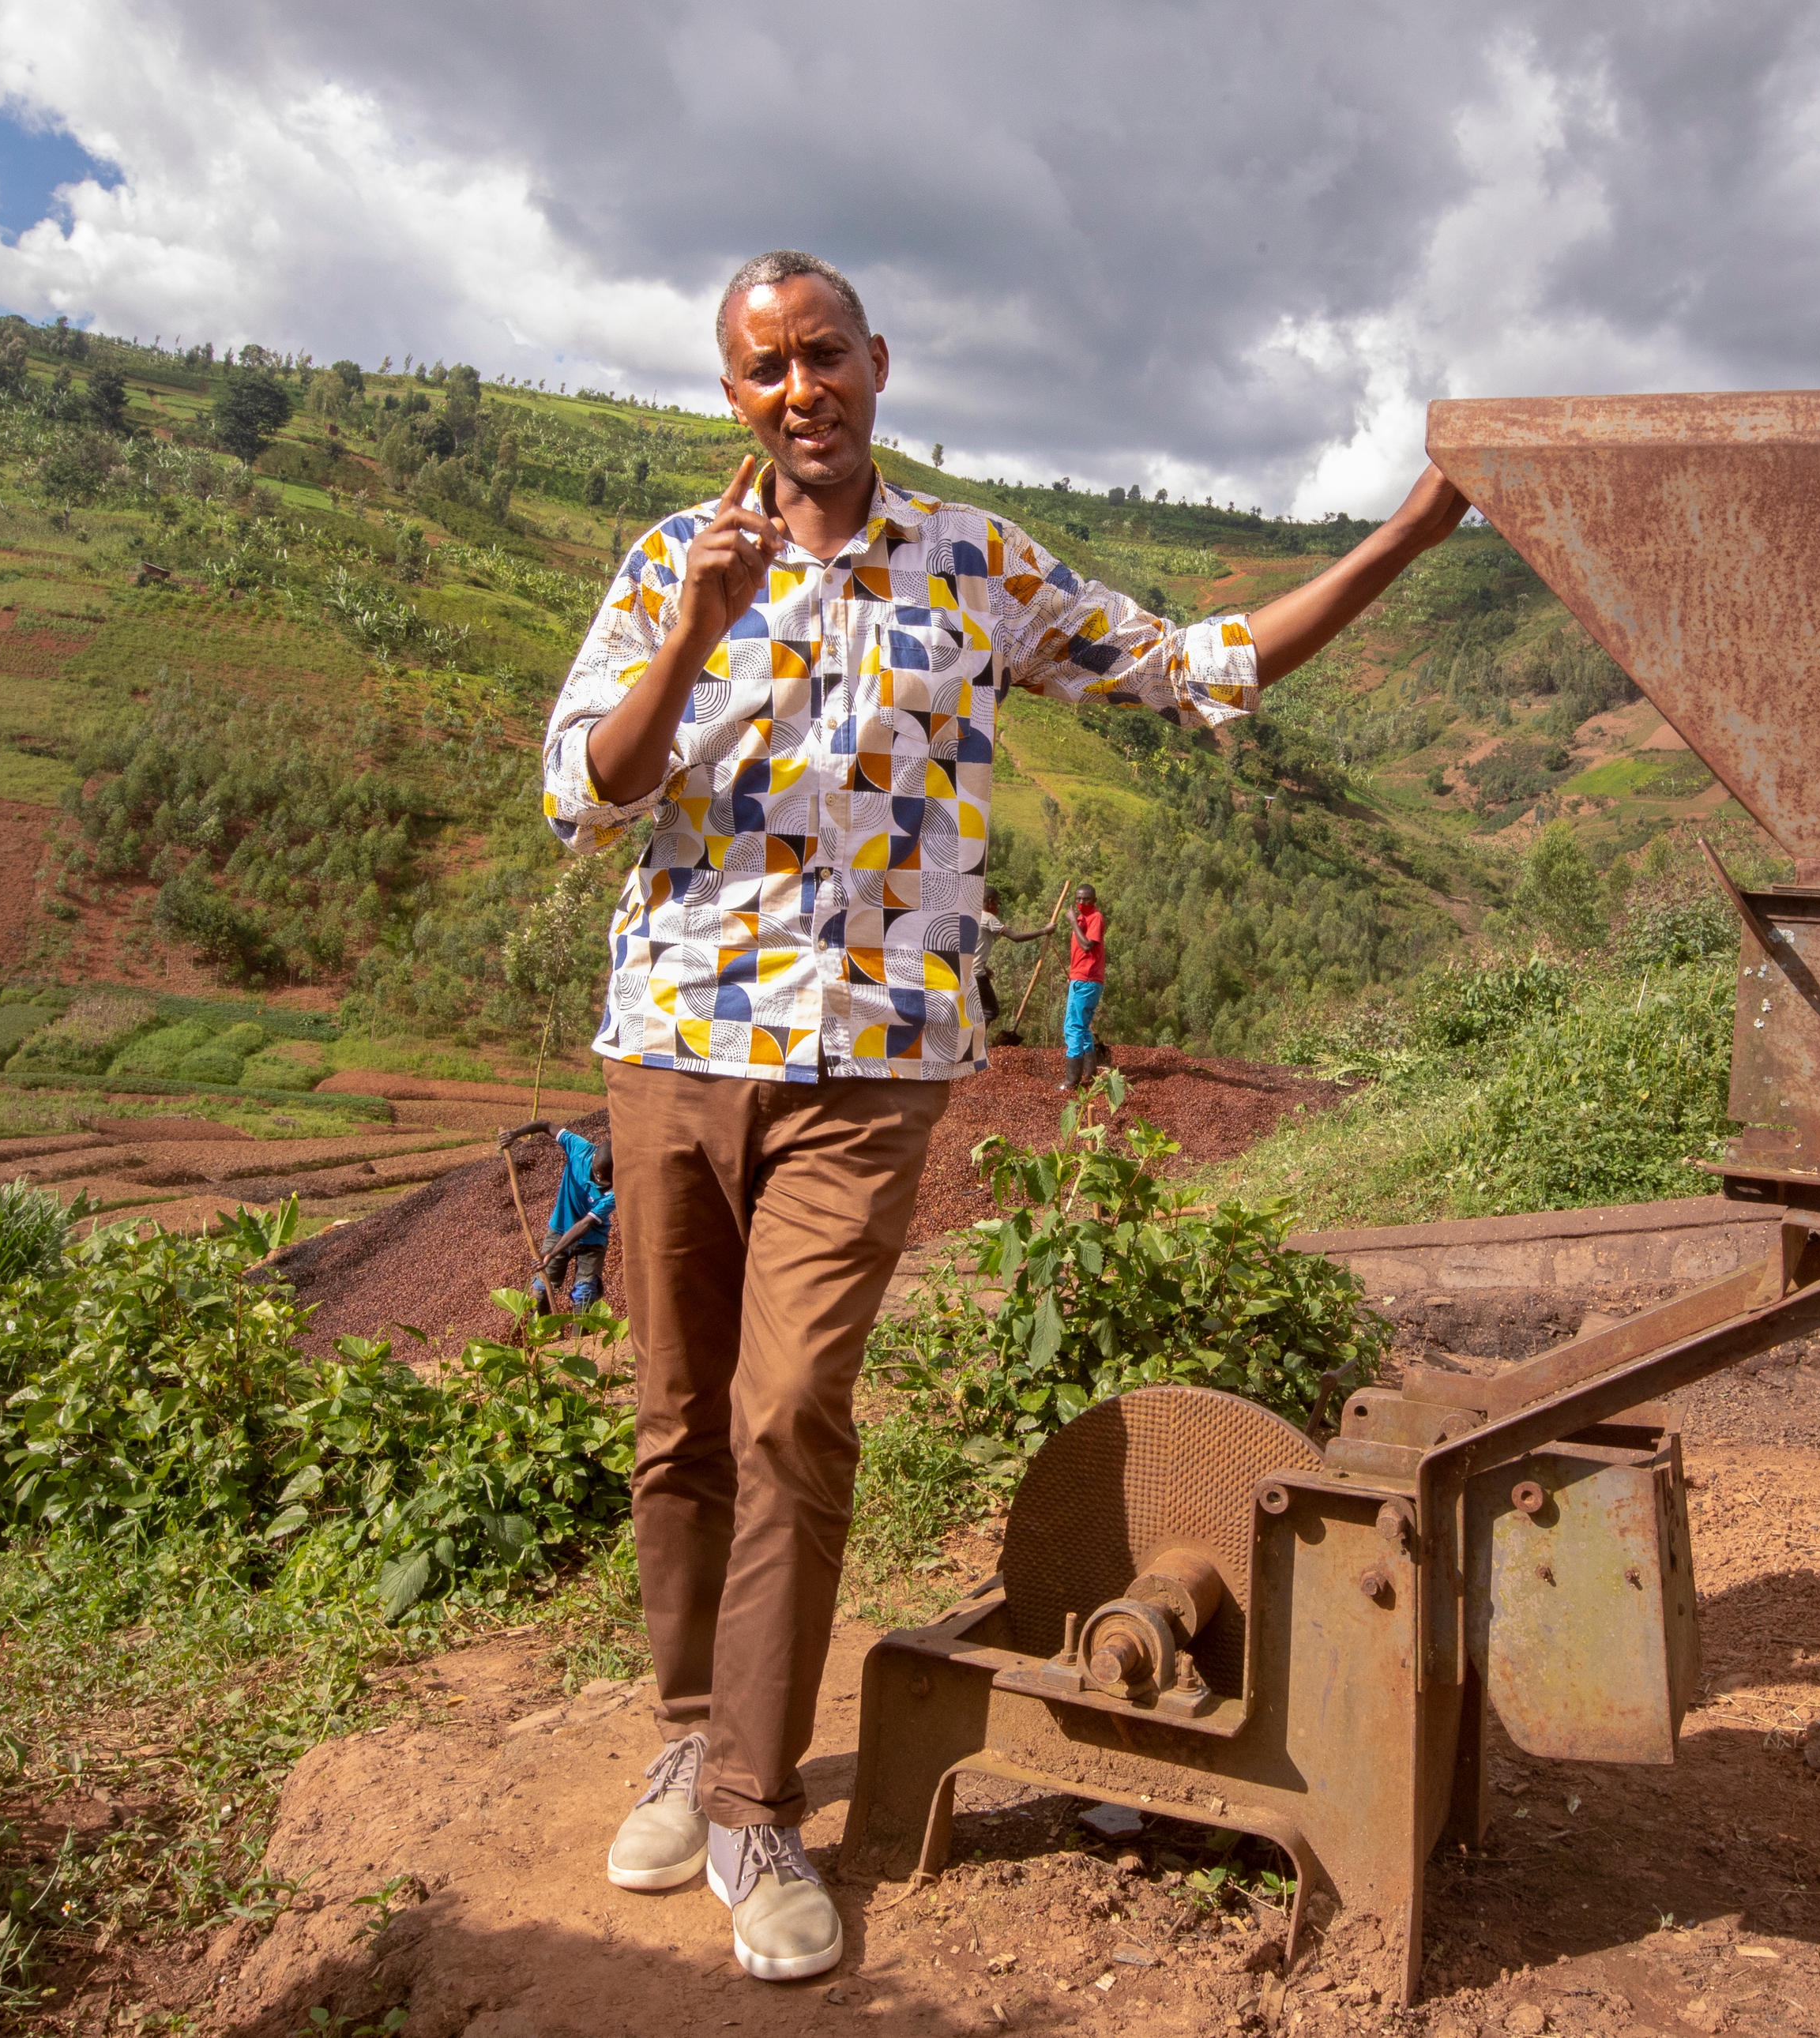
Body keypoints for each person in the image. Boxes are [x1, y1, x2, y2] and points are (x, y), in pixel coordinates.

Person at [536, 248, 1468, 1983]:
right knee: (674, 1421)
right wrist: (694, 630)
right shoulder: (670, 559)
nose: (796, 389)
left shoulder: (970, 564)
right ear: (730, 393)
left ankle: (748, 1807)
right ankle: (686, 1726)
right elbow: (585, 796)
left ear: (876, 364)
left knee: (789, 1411)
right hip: (670, 1046)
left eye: (822, 354)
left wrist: (1408, 538)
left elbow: (1193, 667)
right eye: (762, 370)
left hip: (871, 1062)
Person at [498, 1120, 613, 1305]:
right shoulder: (579, 1149)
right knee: (542, 1290)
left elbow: (585, 1224)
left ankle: (578, 1336)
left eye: (605, 1184)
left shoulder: (616, 1191)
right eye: (598, 1179)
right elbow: (546, 1125)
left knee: (584, 1295)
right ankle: (543, 1333)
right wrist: (515, 1133)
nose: (600, 1186)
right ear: (593, 1163)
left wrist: (551, 1252)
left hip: (592, 1241)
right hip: (559, 1229)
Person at [973, 883, 1053, 1040]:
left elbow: (973, 948)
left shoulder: (972, 916)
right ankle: (977, 1043)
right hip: (977, 974)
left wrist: (985, 966)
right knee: (990, 1010)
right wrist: (1045, 931)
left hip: (968, 971)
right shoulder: (988, 918)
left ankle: (972, 1042)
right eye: (996, 903)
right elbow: (1015, 937)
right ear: (989, 901)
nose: (997, 907)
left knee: (974, 1009)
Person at [1058, 882, 1107, 1091]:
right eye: (1078, 898)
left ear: (1094, 900)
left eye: (1085, 899)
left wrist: (1072, 923)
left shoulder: (1095, 918)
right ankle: (1090, 1072)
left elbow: (1087, 945)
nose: (1081, 902)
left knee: (1073, 1027)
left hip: (1088, 979)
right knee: (1082, 1027)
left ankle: (1072, 1080)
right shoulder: (1081, 918)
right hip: (1079, 978)